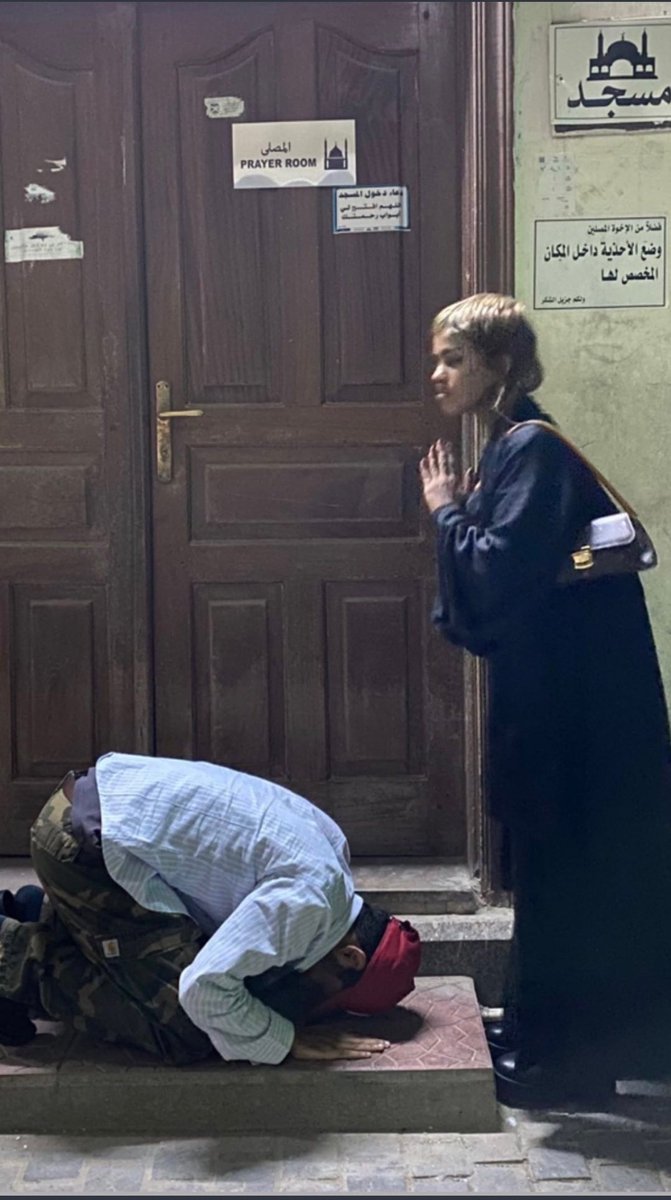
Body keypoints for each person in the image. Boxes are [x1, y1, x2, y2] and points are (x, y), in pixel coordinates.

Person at [419, 292, 671, 1108]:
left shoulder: (530, 449)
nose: (437, 375)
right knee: (548, 866)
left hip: (576, 716)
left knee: (566, 872)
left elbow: (497, 575)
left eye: (453, 360)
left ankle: (567, 1062)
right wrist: (465, 512)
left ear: (497, 365)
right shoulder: (514, 445)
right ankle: (537, 1030)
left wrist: (445, 511)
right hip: (564, 700)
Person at [0, 753, 421, 1066]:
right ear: (350, 955)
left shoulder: (334, 857)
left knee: (205, 982)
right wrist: (285, 1040)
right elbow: (202, 990)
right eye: (332, 995)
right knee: (189, 1029)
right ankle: (13, 954)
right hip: (83, 848)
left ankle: (37, 914)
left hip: (95, 809)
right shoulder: (307, 903)